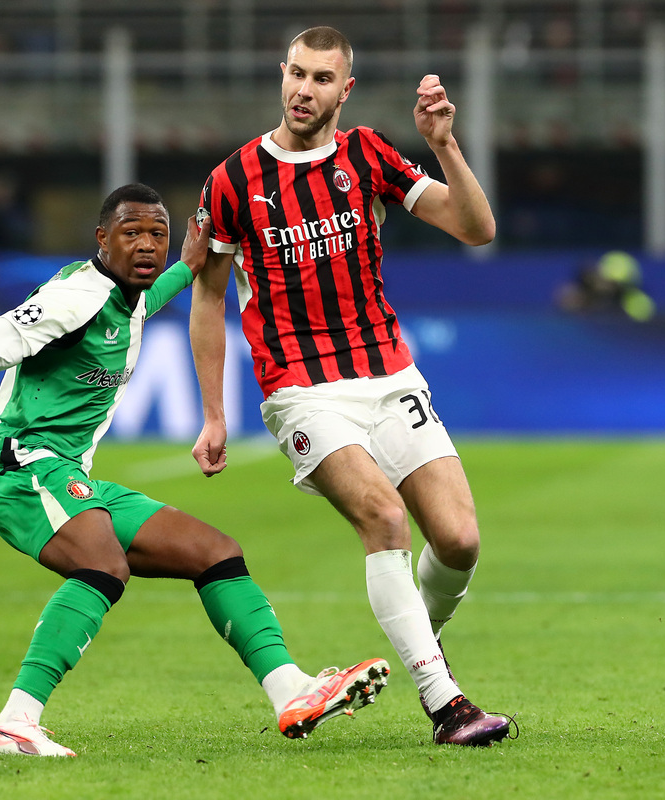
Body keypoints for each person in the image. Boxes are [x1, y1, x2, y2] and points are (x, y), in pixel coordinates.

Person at [0, 183, 390, 758]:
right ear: (102, 239)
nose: (147, 245)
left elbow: (156, 292)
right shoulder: (78, 297)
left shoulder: (132, 296)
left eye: (157, 234)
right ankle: (14, 723)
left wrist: (191, 260)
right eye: (132, 233)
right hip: (16, 460)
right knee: (102, 563)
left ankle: (291, 691)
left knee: (214, 551)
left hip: (66, 469)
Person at [190, 26, 514, 747]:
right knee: (383, 518)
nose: (304, 90)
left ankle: (420, 642)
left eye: (321, 79)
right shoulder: (232, 181)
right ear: (282, 74)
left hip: (388, 372)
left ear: (346, 90)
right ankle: (447, 704)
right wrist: (214, 414)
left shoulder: (367, 155)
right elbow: (208, 298)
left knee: (459, 540)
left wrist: (443, 143)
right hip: (301, 388)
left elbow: (476, 226)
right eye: (296, 74)